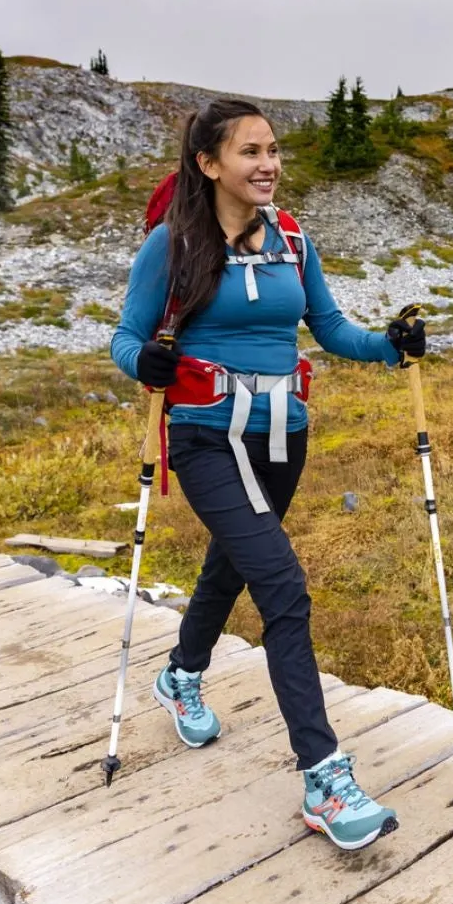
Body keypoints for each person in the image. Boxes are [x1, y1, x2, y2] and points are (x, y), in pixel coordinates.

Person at [110, 97, 426, 851]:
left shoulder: (293, 240)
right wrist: (143, 361)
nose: (269, 164)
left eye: (274, 150)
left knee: (233, 563)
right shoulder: (170, 244)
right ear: (209, 164)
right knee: (280, 584)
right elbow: (126, 337)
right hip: (203, 439)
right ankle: (323, 777)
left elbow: (332, 329)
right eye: (251, 152)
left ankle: (182, 672)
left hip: (283, 437)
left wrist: (390, 344)